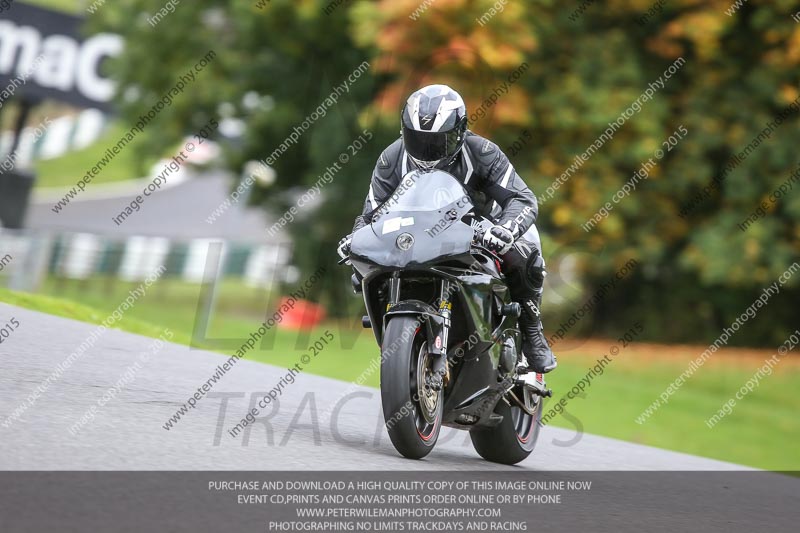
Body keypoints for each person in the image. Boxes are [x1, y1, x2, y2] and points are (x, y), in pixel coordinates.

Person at [338, 84, 556, 374]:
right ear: (404, 131)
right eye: (418, 139)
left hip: (479, 231)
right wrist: (355, 239)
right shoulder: (391, 159)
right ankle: (395, 334)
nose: (427, 150)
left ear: (460, 132)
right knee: (362, 265)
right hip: (414, 238)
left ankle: (532, 332)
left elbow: (522, 198)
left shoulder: (483, 152)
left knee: (525, 252)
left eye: (437, 141)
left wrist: (505, 229)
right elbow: (372, 213)